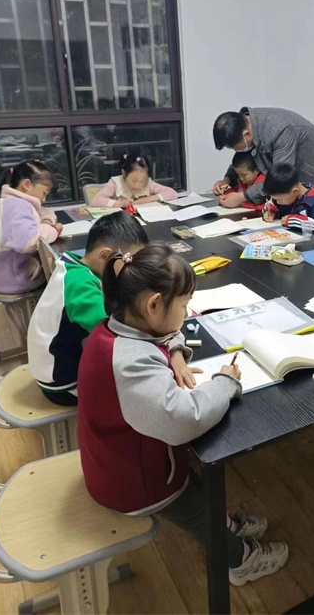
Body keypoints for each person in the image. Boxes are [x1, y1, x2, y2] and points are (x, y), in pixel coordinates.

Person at [77, 244, 289, 585]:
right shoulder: (130, 363)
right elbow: (183, 419)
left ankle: (226, 524)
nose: (187, 314)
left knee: (200, 486)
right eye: (184, 305)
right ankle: (241, 561)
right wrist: (225, 383)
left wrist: (175, 351)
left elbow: (165, 332)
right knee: (197, 513)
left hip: (124, 459)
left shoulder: (118, 326)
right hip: (134, 483)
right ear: (153, 305)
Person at [27, 212, 148, 405]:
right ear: (105, 256)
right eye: (128, 261)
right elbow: (111, 334)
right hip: (62, 382)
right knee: (140, 388)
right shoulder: (80, 286)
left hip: (52, 364)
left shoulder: (75, 265)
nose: (132, 270)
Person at [212, 107, 314, 208]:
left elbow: (278, 178)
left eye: (236, 148)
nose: (236, 151)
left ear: (246, 135)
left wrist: (242, 197)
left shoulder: (281, 130)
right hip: (299, 192)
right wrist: (227, 180)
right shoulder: (248, 125)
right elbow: (243, 158)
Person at [0, 160, 62, 294]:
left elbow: (43, 213)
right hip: (16, 279)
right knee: (61, 274)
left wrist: (46, 221)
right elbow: (28, 243)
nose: (44, 199)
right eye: (44, 193)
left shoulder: (11, 202)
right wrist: (53, 230)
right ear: (27, 185)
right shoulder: (18, 206)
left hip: (3, 275)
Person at [262, 163, 314, 234]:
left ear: (295, 191)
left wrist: (295, 221)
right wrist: (270, 212)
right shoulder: (284, 194)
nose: (277, 202)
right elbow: (270, 204)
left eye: (279, 200)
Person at [90, 154, 178, 208]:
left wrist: (148, 199)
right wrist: (118, 204)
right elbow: (96, 200)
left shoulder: (149, 184)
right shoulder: (115, 183)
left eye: (142, 181)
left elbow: (172, 193)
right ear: (124, 173)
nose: (138, 186)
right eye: (134, 180)